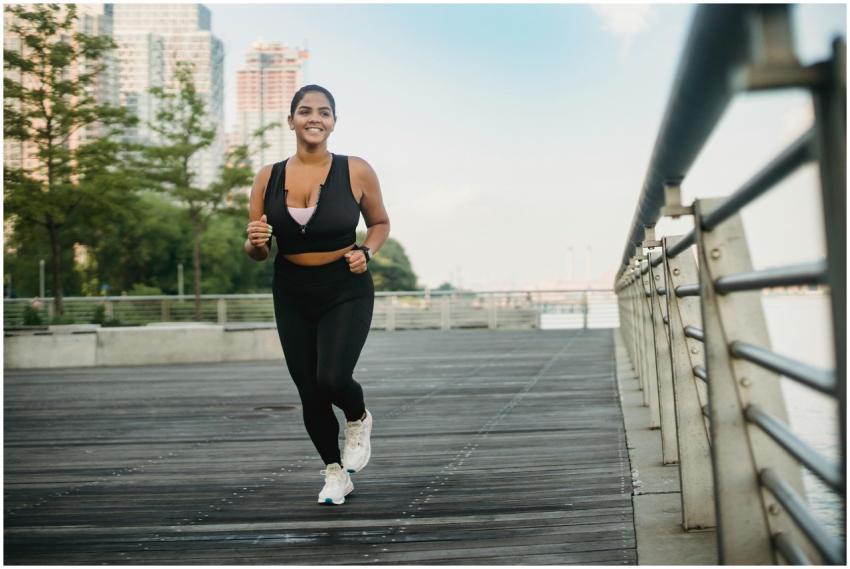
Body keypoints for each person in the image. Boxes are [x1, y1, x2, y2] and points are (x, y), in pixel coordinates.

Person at [243, 85, 390, 505]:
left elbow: (379, 223)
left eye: (324, 112)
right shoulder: (267, 177)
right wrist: (253, 240)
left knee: (331, 378)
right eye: (305, 111)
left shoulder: (356, 170)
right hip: (292, 290)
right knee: (308, 388)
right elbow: (257, 251)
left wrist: (367, 251)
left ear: (333, 123)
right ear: (290, 120)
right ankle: (334, 472)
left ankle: (358, 417)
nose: (314, 118)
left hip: (345, 286)